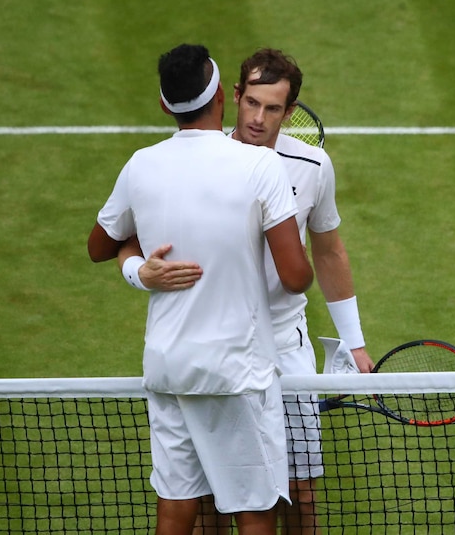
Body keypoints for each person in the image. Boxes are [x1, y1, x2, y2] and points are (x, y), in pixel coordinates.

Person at [117, 48, 374, 534]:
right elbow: (127, 235)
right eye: (251, 103)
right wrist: (138, 270)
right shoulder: (197, 160)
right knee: (213, 492)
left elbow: (329, 252)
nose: (258, 118)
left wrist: (354, 341)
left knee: (300, 490)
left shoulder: (313, 167)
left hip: (284, 344)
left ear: (290, 112)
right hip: (226, 346)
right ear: (232, 96)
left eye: (272, 108)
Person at [87, 44, 314, 535]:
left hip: (168, 367)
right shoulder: (261, 167)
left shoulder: (140, 165)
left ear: (167, 106)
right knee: (255, 509)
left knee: (176, 502)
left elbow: (100, 245)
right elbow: (296, 278)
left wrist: (138, 269)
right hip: (239, 372)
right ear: (222, 101)